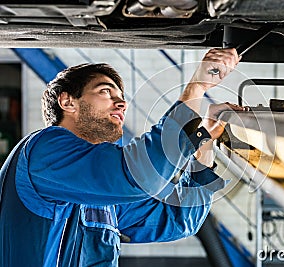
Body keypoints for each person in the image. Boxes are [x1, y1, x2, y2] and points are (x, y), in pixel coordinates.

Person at [0, 48, 245, 266]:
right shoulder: (44, 150)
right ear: (67, 101)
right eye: (105, 91)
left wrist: (203, 140)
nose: (121, 103)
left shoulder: (100, 193)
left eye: (121, 97)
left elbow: (178, 220)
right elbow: (143, 174)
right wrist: (197, 87)